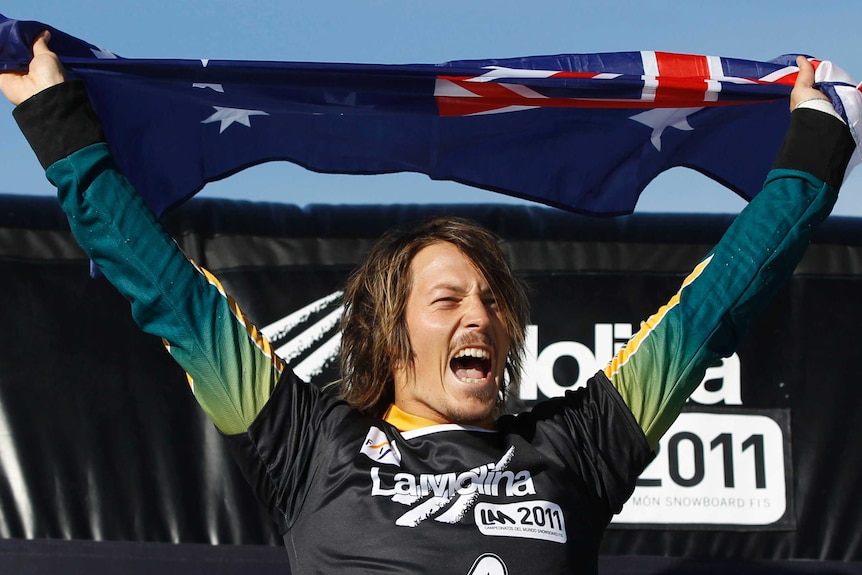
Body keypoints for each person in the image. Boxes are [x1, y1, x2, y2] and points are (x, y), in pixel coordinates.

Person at [1, 32, 856, 574]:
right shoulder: (308, 445)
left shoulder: (579, 445)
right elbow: (175, 299)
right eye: (446, 298)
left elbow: (713, 311)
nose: (478, 315)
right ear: (388, 333)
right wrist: (64, 134)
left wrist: (812, 155)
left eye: (490, 299)